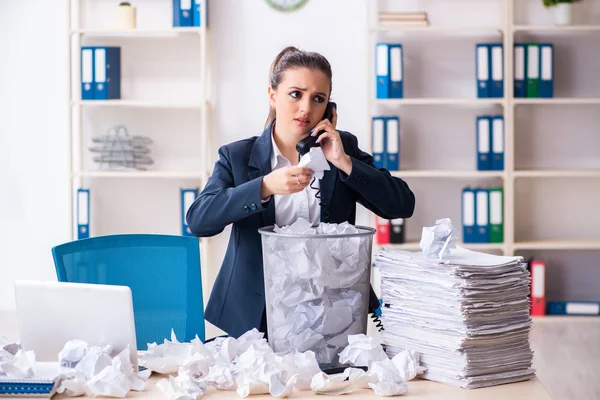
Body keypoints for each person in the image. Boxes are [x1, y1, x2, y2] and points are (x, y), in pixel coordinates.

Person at [186, 46, 415, 339]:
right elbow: (199, 221)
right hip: (255, 317)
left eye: (318, 99)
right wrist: (265, 187)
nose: (306, 108)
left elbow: (401, 205)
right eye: (295, 94)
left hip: (329, 315)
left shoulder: (342, 148)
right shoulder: (237, 156)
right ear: (272, 95)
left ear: (329, 109)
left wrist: (343, 162)